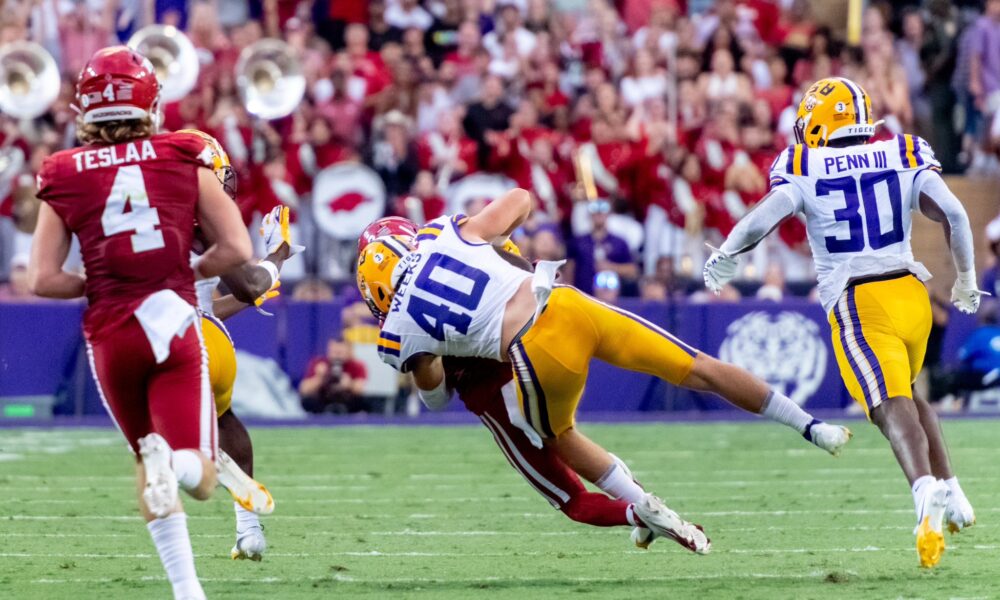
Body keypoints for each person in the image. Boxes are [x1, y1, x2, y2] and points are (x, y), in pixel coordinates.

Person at [357, 196, 851, 554]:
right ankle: (813, 427)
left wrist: (433, 347)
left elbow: (437, 398)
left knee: (563, 438)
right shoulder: (447, 232)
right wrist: (498, 246)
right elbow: (520, 199)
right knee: (696, 366)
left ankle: (643, 506)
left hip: (534, 348)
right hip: (566, 300)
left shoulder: (398, 331)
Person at [703, 77, 982, 568]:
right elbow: (956, 216)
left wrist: (725, 256)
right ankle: (954, 493)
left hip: (859, 299)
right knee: (912, 397)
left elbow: (760, 220)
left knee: (888, 407)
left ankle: (924, 495)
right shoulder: (905, 150)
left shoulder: (802, 164)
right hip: (911, 294)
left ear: (818, 120)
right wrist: (964, 280)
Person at [28, 47, 253, 599]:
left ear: (86, 108)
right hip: (173, 320)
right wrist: (188, 268)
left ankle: (186, 590)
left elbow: (42, 280)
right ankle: (175, 464)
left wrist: (101, 281)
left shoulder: (61, 172)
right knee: (197, 474)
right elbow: (237, 249)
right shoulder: (181, 154)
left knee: (142, 455)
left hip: (110, 333)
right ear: (149, 101)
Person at [299, 337, 369, 413]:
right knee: (307, 401)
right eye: (334, 352)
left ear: (348, 351)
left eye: (340, 352)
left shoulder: (356, 365)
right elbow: (304, 389)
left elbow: (360, 389)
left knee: (363, 402)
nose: (337, 356)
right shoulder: (319, 363)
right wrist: (319, 378)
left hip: (347, 400)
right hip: (324, 400)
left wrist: (349, 384)